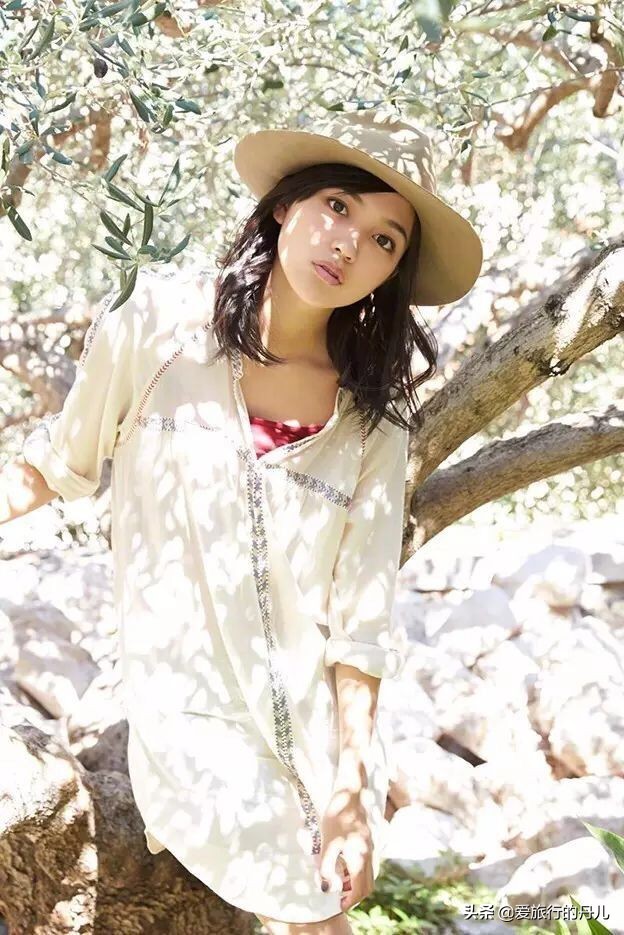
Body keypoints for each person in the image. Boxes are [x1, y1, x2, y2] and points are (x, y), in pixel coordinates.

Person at [0, 109, 483, 934]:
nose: (348, 244)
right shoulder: (155, 328)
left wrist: (350, 786)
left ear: (391, 273)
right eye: (337, 205)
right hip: (185, 707)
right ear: (285, 205)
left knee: (321, 895)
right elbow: (56, 465)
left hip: (315, 729)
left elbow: (362, 621)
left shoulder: (372, 422)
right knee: (308, 901)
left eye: (384, 239)